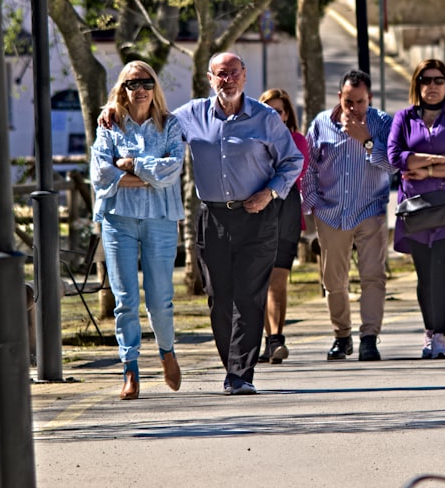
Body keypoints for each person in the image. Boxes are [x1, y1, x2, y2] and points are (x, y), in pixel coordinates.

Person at [100, 52, 303, 395]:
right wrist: (112, 109)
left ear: (244, 75)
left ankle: (240, 374)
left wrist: (269, 193)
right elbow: (152, 115)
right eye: (221, 74)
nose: (228, 80)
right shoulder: (190, 115)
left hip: (257, 214)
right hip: (213, 217)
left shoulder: (266, 118)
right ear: (210, 79)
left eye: (234, 73)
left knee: (249, 296)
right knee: (219, 297)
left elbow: (292, 161)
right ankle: (231, 365)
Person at [90, 61, 185, 400]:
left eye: (146, 82)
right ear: (123, 89)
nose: (140, 89)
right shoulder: (109, 125)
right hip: (119, 219)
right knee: (125, 299)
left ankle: (167, 352)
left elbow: (172, 170)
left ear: (155, 86)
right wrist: (148, 176)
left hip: (161, 218)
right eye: (132, 83)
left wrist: (130, 165)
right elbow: (100, 173)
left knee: (160, 299)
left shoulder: (170, 124)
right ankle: (130, 369)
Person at [303, 70, 396, 361]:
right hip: (330, 213)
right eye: (348, 102)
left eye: (360, 102)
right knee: (333, 280)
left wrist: (367, 141)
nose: (354, 108)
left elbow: (393, 164)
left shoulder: (383, 123)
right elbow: (309, 166)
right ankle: (342, 336)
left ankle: (369, 337)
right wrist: (313, 204)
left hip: (370, 210)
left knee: (373, 276)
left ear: (369, 98)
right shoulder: (321, 123)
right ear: (339, 97)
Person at [388, 60, 445, 358]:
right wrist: (439, 159)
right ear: (417, 84)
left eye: (439, 80)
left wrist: (425, 170)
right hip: (416, 208)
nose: (433, 86)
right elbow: (395, 157)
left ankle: (440, 336)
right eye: (426, 80)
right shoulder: (404, 118)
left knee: (442, 269)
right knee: (425, 275)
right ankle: (428, 333)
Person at [258, 88, 310, 364]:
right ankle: (266, 342)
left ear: (287, 114)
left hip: (285, 210)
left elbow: (293, 173)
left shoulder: (297, 141)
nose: (273, 115)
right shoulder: (250, 141)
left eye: (278, 111)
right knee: (258, 281)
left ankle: (276, 339)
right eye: (267, 110)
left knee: (277, 279)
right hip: (254, 211)